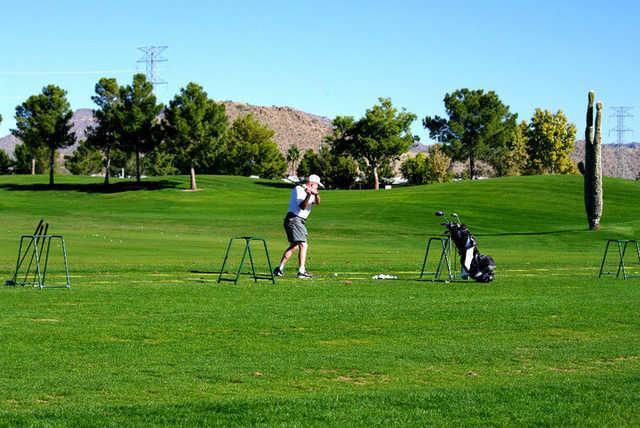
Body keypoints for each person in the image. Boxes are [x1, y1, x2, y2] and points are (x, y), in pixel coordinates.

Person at [274, 174, 323, 279]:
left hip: (298, 220)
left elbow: (318, 203)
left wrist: (316, 194)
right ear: (312, 184)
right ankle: (301, 271)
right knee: (303, 245)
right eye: (317, 185)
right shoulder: (298, 189)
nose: (317, 187)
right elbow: (302, 206)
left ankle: (279, 269)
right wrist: (308, 195)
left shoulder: (311, 190)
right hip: (294, 219)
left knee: (294, 246)